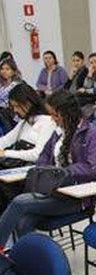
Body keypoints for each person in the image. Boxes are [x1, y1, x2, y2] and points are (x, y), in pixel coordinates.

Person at [0, 89, 96, 246]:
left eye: (55, 115)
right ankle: (29, 263)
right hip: (54, 189)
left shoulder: (92, 134)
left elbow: (93, 168)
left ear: (68, 113)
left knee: (19, 202)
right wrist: (46, 173)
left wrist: (62, 172)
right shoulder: (59, 132)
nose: (53, 120)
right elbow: (43, 157)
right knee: (23, 222)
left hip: (77, 196)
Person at [0, 84, 56, 213]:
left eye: (17, 106)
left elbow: (38, 154)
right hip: (16, 166)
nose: (15, 110)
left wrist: (6, 153)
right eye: (13, 106)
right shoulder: (24, 123)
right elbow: (6, 140)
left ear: (28, 102)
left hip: (33, 172)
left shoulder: (47, 122)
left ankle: (7, 222)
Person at [0, 58, 21, 133]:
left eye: (7, 69)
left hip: (12, 115)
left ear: (13, 71)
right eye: (2, 69)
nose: (4, 71)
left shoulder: (16, 85)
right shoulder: (1, 85)